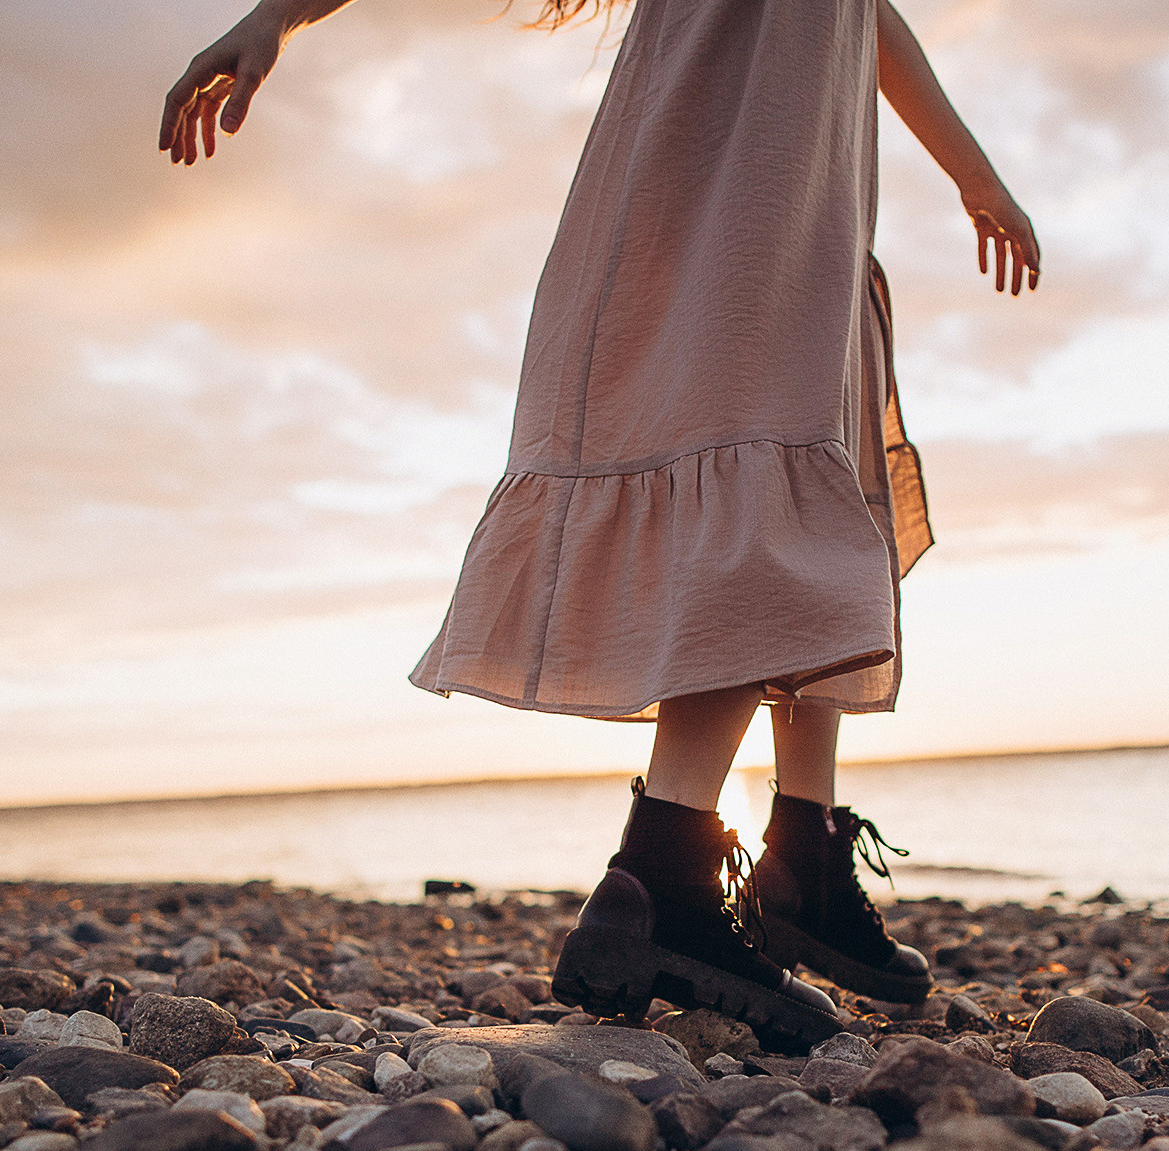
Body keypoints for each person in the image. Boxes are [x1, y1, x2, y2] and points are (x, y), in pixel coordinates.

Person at [165, 0, 1040, 1048]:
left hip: (809, 196)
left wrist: (970, 170)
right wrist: (277, 17)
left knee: (812, 488)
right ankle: (663, 873)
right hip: (714, 182)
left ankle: (799, 848)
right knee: (749, 487)